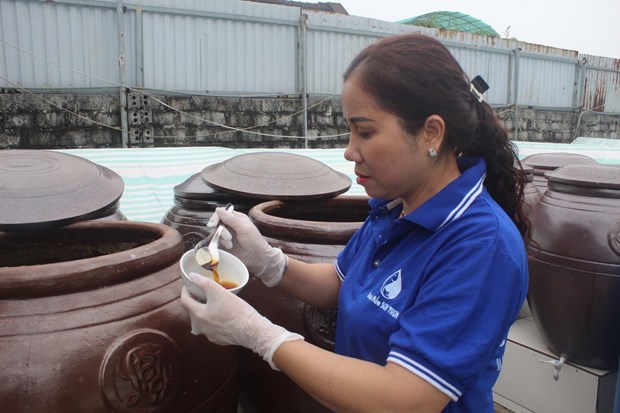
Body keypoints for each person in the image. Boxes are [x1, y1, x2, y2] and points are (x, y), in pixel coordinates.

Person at [181, 32, 529, 413]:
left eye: (365, 131)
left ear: (431, 132)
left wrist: (261, 336)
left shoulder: (480, 244)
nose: (349, 150)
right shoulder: (395, 206)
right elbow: (343, 283)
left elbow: (406, 399)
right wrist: (267, 261)